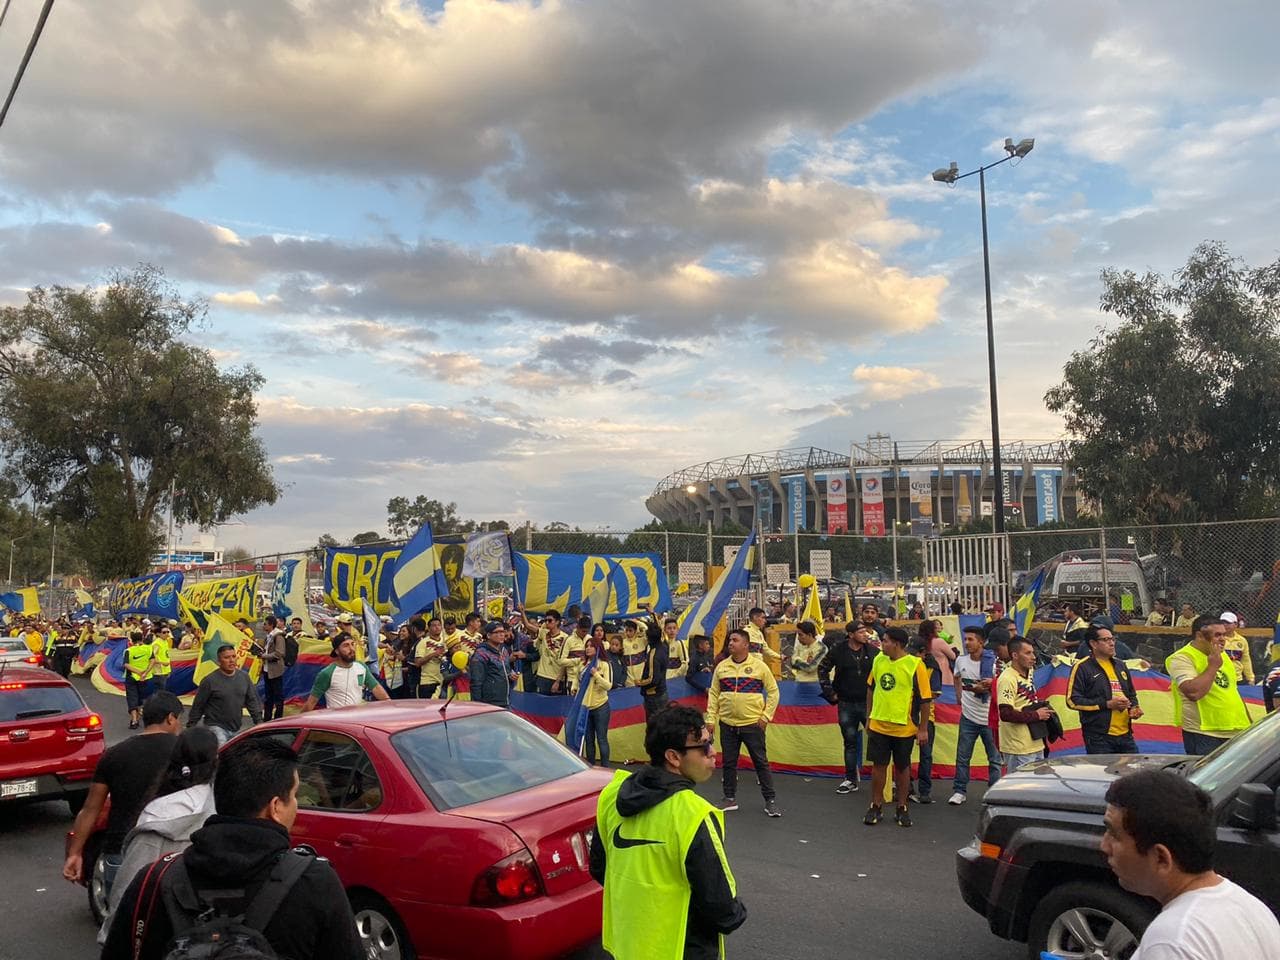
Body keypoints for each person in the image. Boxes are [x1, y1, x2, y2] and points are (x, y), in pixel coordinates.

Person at [101, 737, 363, 960]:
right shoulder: (315, 883)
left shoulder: (155, 879)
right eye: (293, 795)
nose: (296, 805)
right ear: (275, 807)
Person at [589, 704, 746, 960]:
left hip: (626, 945)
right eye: (704, 746)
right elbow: (722, 909)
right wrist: (738, 912)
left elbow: (599, 869)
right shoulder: (693, 814)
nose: (712, 752)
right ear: (673, 757)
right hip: (682, 948)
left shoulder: (611, 795)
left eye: (712, 741)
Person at [1101, 769, 1280, 959]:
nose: (1104, 846)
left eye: (1114, 834)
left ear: (1161, 858)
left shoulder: (1173, 940)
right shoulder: (1249, 906)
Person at [97, 726, 219, 942]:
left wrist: (112, 937)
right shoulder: (223, 806)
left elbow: (130, 887)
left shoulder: (159, 815)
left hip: (161, 933)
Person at [63, 691, 183, 890]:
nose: (180, 725)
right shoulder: (184, 751)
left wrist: (75, 853)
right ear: (170, 718)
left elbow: (91, 809)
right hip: (169, 850)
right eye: (179, 719)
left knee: (120, 915)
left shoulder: (113, 755)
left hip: (120, 850)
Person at [705, 628, 781, 817]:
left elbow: (773, 692)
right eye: (730, 640)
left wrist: (765, 717)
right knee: (729, 763)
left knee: (760, 762)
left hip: (752, 724)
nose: (730, 643)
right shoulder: (722, 667)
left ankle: (770, 801)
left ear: (745, 645)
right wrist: (710, 719)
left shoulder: (760, 667)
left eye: (735, 640)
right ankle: (729, 798)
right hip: (727, 724)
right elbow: (714, 694)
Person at [862, 627, 931, 827]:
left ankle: (902, 807)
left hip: (904, 727)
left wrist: (923, 728)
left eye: (885, 641)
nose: (881, 644)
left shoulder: (915, 665)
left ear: (897, 644)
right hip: (879, 724)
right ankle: (875, 805)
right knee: (878, 767)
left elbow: (925, 700)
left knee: (902, 768)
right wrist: (869, 717)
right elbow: (870, 689)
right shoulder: (878, 660)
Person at [1167, 615, 1252, 755]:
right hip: (1205, 732)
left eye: (1224, 635)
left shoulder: (1222, 655)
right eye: (1217, 635)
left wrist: (1249, 723)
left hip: (1236, 729)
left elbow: (1231, 691)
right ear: (1200, 636)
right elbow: (1193, 693)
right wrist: (1213, 666)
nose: (1223, 639)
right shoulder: (1181, 658)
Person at [818, 621, 879, 794]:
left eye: (866, 632)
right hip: (846, 703)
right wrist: (830, 692)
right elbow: (822, 669)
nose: (865, 634)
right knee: (850, 742)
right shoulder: (838, 650)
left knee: (877, 741)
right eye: (861, 632)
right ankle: (850, 779)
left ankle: (882, 777)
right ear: (851, 634)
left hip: (869, 704)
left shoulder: (874, 652)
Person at [1067, 624, 1142, 754]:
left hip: (1126, 734)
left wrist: (1134, 708)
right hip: (1098, 737)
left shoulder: (1120, 665)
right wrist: (1106, 704)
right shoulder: (1082, 667)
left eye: (1113, 639)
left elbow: (1131, 694)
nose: (1112, 643)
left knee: (1132, 771)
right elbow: (1073, 700)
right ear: (1093, 644)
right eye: (1106, 640)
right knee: (1103, 773)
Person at [948, 625, 1000, 805]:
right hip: (968, 718)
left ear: (981, 642)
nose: (966, 643)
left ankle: (994, 794)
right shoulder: (961, 661)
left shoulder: (993, 663)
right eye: (966, 639)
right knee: (962, 756)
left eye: (971, 639)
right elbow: (956, 677)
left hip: (989, 718)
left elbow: (1002, 686)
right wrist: (958, 697)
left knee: (994, 759)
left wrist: (989, 685)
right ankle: (959, 791)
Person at [187, 644, 265, 744]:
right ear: (219, 661)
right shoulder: (209, 681)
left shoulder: (244, 677)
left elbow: (252, 700)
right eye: (227, 657)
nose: (231, 660)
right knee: (221, 752)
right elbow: (198, 705)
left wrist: (259, 722)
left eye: (233, 656)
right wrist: (191, 727)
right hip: (215, 726)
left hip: (236, 728)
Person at [997, 637, 1050, 772]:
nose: (1033, 657)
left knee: (1035, 788)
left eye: (1033, 652)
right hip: (1018, 747)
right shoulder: (1007, 679)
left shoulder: (1029, 671)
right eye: (1028, 653)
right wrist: (1036, 715)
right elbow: (1005, 714)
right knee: (1018, 788)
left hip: (1036, 742)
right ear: (1014, 655)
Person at [302, 633, 389, 711]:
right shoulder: (327, 673)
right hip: (338, 724)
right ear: (337, 651)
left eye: (352, 644)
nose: (351, 649)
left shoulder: (361, 667)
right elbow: (311, 703)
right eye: (346, 645)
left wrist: (389, 705)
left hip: (357, 722)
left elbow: (376, 688)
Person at [580, 637, 613, 765]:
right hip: (586, 708)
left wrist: (596, 675)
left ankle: (606, 768)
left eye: (591, 646)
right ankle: (591, 766)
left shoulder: (604, 664)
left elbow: (608, 686)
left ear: (598, 648)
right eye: (586, 646)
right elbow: (578, 682)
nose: (588, 648)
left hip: (601, 707)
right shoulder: (583, 665)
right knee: (588, 740)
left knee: (601, 739)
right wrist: (574, 688)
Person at [469, 621, 515, 707]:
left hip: (505, 700)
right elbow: (476, 682)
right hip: (489, 703)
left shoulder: (504, 650)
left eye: (503, 631)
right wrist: (477, 705)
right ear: (489, 635)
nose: (502, 634)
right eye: (497, 632)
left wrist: (511, 676)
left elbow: (505, 671)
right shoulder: (481, 654)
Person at [636, 616, 671, 719]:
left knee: (654, 725)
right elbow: (662, 633)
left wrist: (639, 682)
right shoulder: (664, 646)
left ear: (649, 639)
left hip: (654, 696)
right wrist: (653, 614)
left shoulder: (653, 655)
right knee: (663, 723)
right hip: (663, 691)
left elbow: (653, 679)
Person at [123, 630, 155, 730]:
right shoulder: (149, 649)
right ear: (142, 639)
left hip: (131, 677)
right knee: (142, 698)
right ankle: (140, 715)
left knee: (132, 698)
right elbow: (153, 661)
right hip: (146, 677)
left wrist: (138, 672)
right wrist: (145, 672)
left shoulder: (129, 650)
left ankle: (134, 720)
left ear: (132, 640)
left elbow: (126, 664)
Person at [533, 610, 569, 694]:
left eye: (550, 620)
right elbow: (528, 626)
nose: (547, 622)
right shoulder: (544, 633)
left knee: (555, 705)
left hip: (557, 677)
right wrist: (522, 612)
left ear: (557, 622)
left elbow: (565, 662)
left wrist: (557, 681)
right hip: (542, 676)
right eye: (545, 620)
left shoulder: (566, 638)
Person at [261, 614, 288, 720]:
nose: (263, 626)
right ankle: (267, 718)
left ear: (271, 625)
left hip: (275, 671)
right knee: (268, 697)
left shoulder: (278, 636)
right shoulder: (269, 636)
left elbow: (279, 653)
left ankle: (278, 718)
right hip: (267, 670)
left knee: (278, 697)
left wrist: (264, 656)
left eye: (265, 624)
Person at [413, 615, 446, 699]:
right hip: (428, 682)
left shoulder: (446, 641)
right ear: (429, 628)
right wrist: (433, 654)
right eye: (434, 625)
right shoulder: (423, 642)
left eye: (439, 625)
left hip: (445, 681)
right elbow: (417, 663)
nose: (437, 627)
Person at [1219, 611, 1255, 685]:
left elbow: (1245, 660)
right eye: (1222, 622)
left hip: (1237, 678)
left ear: (1235, 624)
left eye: (1228, 623)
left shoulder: (1242, 640)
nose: (1224, 625)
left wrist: (1250, 678)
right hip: (1220, 677)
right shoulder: (1216, 639)